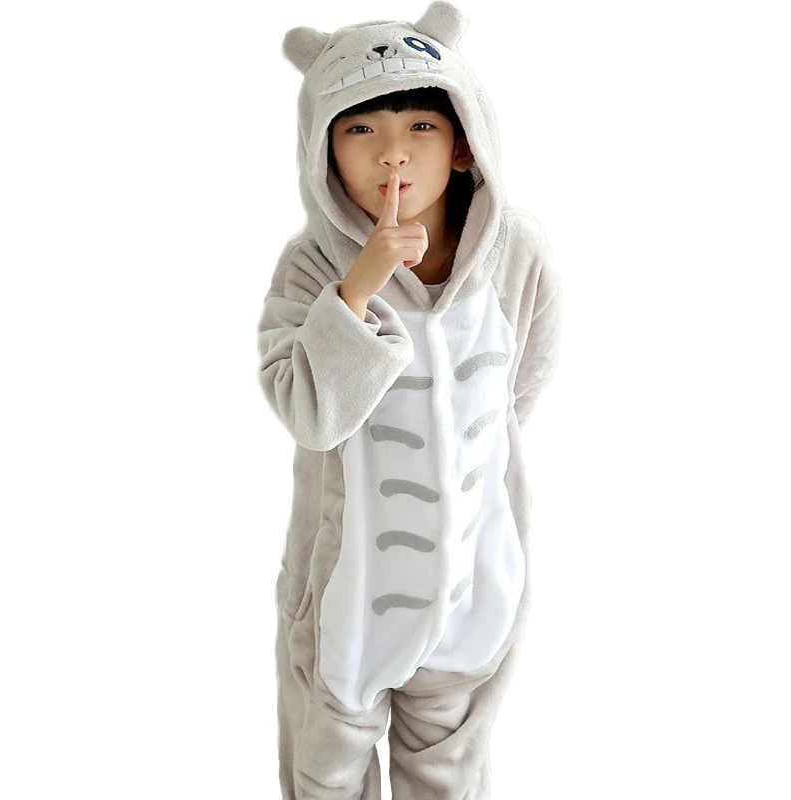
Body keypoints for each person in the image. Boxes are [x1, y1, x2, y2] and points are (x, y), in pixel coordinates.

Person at [258, 2, 563, 798]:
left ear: (463, 143)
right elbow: (305, 412)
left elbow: (521, 388)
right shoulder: (311, 267)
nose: (391, 151)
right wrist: (359, 286)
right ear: (323, 147)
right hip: (349, 603)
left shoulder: (516, 253)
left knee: (447, 778)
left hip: (471, 595)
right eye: (360, 128)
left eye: (420, 126)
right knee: (326, 775)